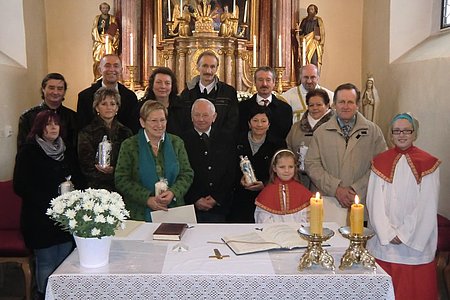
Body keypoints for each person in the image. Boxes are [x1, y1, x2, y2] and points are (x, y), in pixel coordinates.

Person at [366, 113, 440, 300]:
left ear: (414, 134)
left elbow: (427, 205)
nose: (401, 135)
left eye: (406, 130)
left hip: (415, 241)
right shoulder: (380, 162)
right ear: (390, 135)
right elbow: (374, 202)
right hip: (385, 243)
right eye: (396, 131)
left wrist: (404, 234)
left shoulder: (428, 163)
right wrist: (388, 233)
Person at [13, 110, 84, 299]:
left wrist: (74, 196)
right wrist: (52, 201)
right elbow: (20, 186)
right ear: (39, 127)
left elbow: (79, 178)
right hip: (39, 218)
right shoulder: (29, 151)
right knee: (46, 262)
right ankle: (45, 295)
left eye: (56, 124)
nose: (53, 127)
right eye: (48, 124)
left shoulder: (66, 150)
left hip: (64, 219)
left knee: (65, 261)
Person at [305, 83, 386, 226]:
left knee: (359, 245)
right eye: (342, 102)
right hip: (329, 202)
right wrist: (336, 189)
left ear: (358, 105)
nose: (346, 106)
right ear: (334, 104)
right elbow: (312, 165)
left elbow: (381, 166)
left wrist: (356, 189)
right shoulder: (321, 132)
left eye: (350, 102)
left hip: (362, 201)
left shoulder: (373, 132)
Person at [115, 101, 194, 221]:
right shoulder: (129, 145)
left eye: (162, 120)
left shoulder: (176, 143)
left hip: (174, 211)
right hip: (139, 214)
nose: (159, 125)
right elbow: (121, 179)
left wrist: (173, 192)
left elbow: (187, 174)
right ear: (142, 122)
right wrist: (147, 199)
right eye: (154, 121)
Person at [228, 106, 286, 223]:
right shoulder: (235, 140)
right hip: (239, 199)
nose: (259, 125)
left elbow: (283, 171)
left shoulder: (278, 144)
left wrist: (264, 184)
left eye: (263, 121)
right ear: (249, 123)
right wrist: (240, 180)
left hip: (267, 198)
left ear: (269, 124)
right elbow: (228, 167)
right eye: (255, 120)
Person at [181, 98, 235, 223]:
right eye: (197, 115)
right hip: (191, 206)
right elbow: (180, 173)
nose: (201, 119)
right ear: (191, 116)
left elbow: (231, 171)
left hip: (220, 206)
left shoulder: (226, 138)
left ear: (214, 116)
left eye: (205, 115)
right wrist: (195, 198)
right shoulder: (182, 140)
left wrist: (217, 198)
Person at [78, 87, 132, 191]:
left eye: (112, 104)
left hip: (121, 185)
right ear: (97, 108)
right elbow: (86, 166)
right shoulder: (86, 132)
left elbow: (130, 163)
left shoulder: (126, 132)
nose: (109, 107)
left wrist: (115, 171)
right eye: (104, 104)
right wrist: (105, 173)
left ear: (117, 108)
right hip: (96, 187)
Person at [179, 50, 239, 140]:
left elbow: (232, 122)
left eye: (212, 67)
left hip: (221, 145)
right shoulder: (186, 94)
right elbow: (184, 121)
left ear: (217, 68)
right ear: (198, 67)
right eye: (205, 66)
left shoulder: (228, 93)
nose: (208, 71)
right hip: (192, 145)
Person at [78, 54, 139, 133]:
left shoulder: (130, 97)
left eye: (116, 66)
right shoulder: (85, 96)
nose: (112, 69)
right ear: (100, 70)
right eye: (107, 66)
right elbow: (82, 127)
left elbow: (133, 127)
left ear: (121, 70)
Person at [286, 89, 333, 189]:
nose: (315, 108)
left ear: (328, 105)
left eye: (319, 105)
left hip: (326, 181)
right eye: (311, 105)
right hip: (300, 180)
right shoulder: (296, 128)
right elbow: (288, 149)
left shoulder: (335, 126)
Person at [17, 73, 77, 152]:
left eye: (60, 88)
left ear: (64, 92)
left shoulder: (72, 116)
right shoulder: (28, 117)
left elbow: (75, 147)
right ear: (43, 89)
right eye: (51, 88)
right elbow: (23, 149)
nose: (55, 92)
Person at [254, 149, 312, 223]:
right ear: (274, 168)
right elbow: (262, 218)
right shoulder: (267, 192)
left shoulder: (302, 191)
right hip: (274, 232)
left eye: (290, 167)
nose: (287, 170)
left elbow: (308, 216)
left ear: (295, 167)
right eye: (282, 167)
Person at [239, 66, 293, 140]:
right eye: (260, 80)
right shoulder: (242, 107)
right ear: (254, 82)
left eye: (268, 80)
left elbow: (287, 136)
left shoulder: (285, 109)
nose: (264, 84)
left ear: (274, 82)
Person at [138, 67, 183, 135]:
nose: (163, 86)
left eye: (167, 83)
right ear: (152, 85)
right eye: (158, 82)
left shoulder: (182, 107)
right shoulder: (141, 108)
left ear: (172, 86)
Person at [92, 2, 120, 81]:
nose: (105, 9)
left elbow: (116, 31)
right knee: (98, 60)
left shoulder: (112, 18)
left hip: (108, 42)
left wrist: (111, 38)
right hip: (99, 42)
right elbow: (94, 30)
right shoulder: (97, 18)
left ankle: (110, 78)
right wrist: (101, 27)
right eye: (103, 8)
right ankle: (98, 78)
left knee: (110, 60)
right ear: (100, 9)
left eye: (106, 8)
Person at [298, 4, 325, 69]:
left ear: (315, 11)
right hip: (306, 42)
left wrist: (318, 37)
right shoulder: (304, 20)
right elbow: (301, 32)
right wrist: (298, 31)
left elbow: (321, 31)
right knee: (305, 61)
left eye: (312, 9)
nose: (310, 11)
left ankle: (314, 75)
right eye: (309, 9)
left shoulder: (318, 20)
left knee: (314, 60)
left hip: (314, 42)